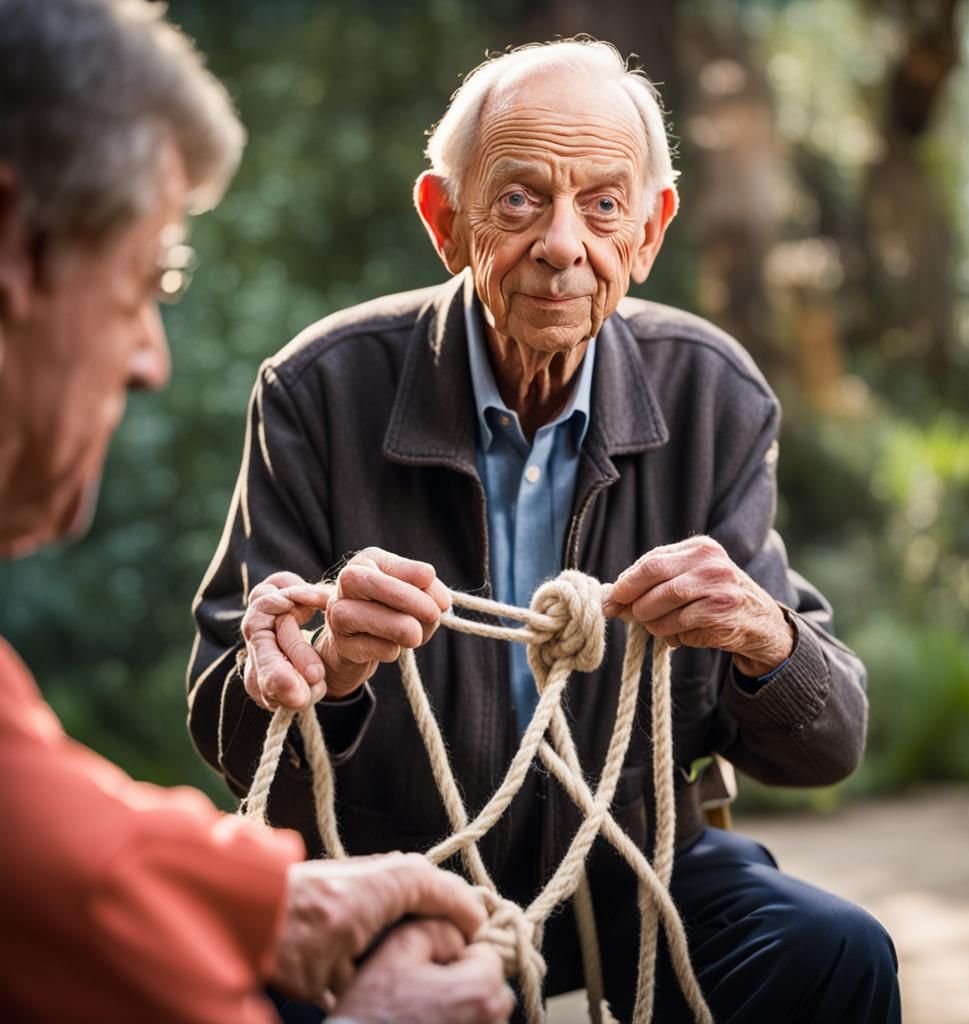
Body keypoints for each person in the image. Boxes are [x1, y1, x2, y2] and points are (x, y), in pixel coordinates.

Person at [189, 39, 902, 1022]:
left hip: (635, 869)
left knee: (833, 953)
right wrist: (328, 663)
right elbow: (226, 725)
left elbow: (827, 746)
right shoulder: (319, 390)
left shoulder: (712, 393)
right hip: (392, 879)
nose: (564, 244)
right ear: (444, 221)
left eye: (604, 203)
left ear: (650, 232)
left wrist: (759, 635)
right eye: (520, 198)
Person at [0, 2, 515, 1022]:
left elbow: (40, 815)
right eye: (152, 278)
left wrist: (265, 899)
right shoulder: (319, 388)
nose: (152, 358)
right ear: (13, 249)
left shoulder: (708, 388)